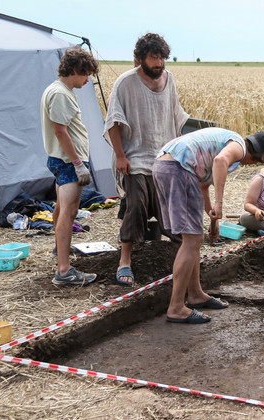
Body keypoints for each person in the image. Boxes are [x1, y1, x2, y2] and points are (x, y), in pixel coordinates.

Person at [153, 127, 264, 323]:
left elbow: (203, 186)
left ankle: (195, 294)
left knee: (193, 239)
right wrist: (219, 203)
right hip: (178, 168)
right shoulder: (239, 146)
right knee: (192, 240)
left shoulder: (225, 142)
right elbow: (220, 161)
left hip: (166, 166)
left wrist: (214, 219)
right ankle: (176, 308)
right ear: (254, 157)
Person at [104, 33, 189, 286]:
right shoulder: (125, 82)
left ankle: (186, 257)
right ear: (141, 58)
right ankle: (125, 261)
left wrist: (178, 154)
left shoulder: (169, 79)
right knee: (137, 206)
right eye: (153, 57)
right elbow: (113, 121)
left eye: (162, 57)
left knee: (172, 210)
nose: (159, 63)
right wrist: (121, 156)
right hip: (134, 158)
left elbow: (175, 116)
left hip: (163, 157)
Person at [41, 47, 99, 286]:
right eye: (86, 74)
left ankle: (60, 249)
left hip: (63, 160)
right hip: (67, 163)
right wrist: (77, 164)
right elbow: (60, 131)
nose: (88, 80)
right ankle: (64, 271)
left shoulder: (59, 90)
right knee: (69, 211)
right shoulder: (60, 94)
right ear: (75, 69)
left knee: (60, 207)